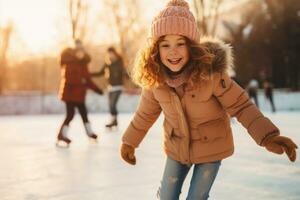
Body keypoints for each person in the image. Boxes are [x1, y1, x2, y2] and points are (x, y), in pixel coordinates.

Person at [119, 1, 298, 199]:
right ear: (155, 50)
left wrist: (268, 136)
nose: (173, 51)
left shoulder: (210, 74)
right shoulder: (156, 81)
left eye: (180, 43)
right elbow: (145, 114)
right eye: (165, 45)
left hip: (211, 148)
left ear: (192, 47)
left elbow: (241, 105)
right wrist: (129, 142)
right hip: (177, 148)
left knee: (197, 197)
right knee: (167, 197)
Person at [57, 39, 103, 146]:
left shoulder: (83, 64)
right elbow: (68, 78)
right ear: (75, 53)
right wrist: (81, 80)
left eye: (82, 52)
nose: (80, 54)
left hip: (79, 95)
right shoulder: (69, 63)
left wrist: (97, 89)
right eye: (78, 52)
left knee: (84, 114)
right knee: (70, 115)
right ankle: (61, 135)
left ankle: (90, 133)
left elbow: (87, 80)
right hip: (69, 94)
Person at [91, 46, 126, 129]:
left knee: (113, 104)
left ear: (115, 53)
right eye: (109, 53)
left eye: (112, 53)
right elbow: (100, 73)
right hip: (111, 87)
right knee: (110, 105)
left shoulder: (119, 62)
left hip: (118, 86)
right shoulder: (108, 63)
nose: (110, 55)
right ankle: (114, 121)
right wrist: (89, 74)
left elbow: (124, 73)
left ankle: (113, 121)